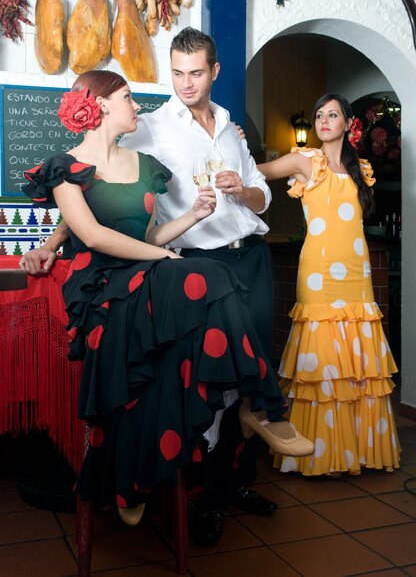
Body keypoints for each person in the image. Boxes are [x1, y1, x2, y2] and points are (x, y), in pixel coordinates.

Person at [21, 27, 314, 544]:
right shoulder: (148, 128)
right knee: (201, 375)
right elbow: (91, 200)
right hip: (185, 265)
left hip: (238, 258)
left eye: (195, 72)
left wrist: (238, 193)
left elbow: (259, 199)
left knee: (240, 363)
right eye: (176, 72)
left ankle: (236, 476)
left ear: (215, 71)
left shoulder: (230, 126)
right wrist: (53, 240)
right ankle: (199, 488)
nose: (183, 83)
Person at [257, 93, 401, 477]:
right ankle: (319, 455)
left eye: (331, 115)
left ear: (347, 123)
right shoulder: (305, 160)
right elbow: (259, 172)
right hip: (318, 273)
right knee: (321, 362)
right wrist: (233, 148)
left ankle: (356, 452)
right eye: (319, 115)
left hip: (357, 272)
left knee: (359, 366)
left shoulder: (362, 169)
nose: (323, 120)